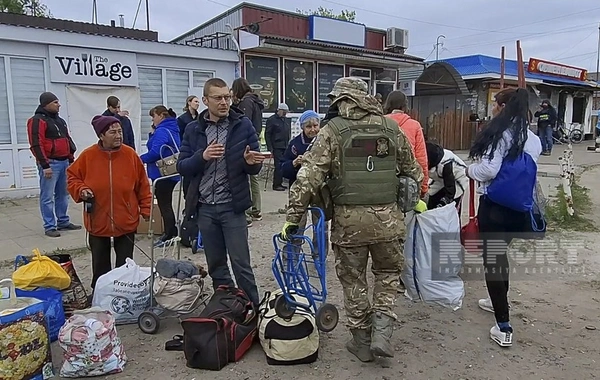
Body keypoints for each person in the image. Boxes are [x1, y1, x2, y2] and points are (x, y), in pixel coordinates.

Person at [281, 77, 423, 362]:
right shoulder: (391, 128)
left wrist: (293, 219)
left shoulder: (331, 131)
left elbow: (307, 179)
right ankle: (382, 330)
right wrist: (416, 201)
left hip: (349, 224)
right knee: (387, 274)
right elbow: (413, 171)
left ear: (340, 100)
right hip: (389, 221)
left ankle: (361, 341)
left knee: (353, 280)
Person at [176, 78, 265, 306]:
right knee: (216, 265)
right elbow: (182, 166)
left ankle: (252, 310)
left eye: (227, 97)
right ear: (205, 100)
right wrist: (202, 156)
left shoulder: (242, 125)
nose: (224, 102)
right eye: (218, 98)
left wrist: (250, 162)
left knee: (241, 264)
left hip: (232, 207)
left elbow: (255, 165)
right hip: (205, 208)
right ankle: (226, 308)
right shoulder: (193, 129)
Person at [466, 88, 542, 347]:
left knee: (494, 262)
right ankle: (494, 300)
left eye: (495, 104)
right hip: (520, 211)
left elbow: (488, 170)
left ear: (502, 107)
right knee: (501, 257)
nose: (493, 108)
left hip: (495, 209)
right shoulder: (533, 139)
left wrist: (470, 169)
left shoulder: (501, 135)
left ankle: (504, 325)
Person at [67, 115, 152, 290]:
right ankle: (100, 292)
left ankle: (125, 292)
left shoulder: (130, 155)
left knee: (125, 263)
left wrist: (146, 209)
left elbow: (143, 185)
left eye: (120, 131)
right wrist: (81, 189)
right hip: (98, 219)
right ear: (101, 136)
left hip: (125, 219)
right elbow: (72, 177)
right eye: (112, 132)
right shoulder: (88, 155)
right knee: (100, 264)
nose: (118, 135)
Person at [27, 91, 81, 237]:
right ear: (46, 104)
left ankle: (63, 221)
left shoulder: (60, 120)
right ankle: (50, 226)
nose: (59, 105)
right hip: (50, 163)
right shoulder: (37, 121)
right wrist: (45, 165)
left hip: (64, 162)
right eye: (55, 102)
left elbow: (67, 140)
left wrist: (71, 159)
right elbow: (36, 144)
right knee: (47, 196)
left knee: (63, 194)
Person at [281, 109, 329, 257]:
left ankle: (319, 255)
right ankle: (292, 254)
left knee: (320, 225)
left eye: (315, 125)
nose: (313, 129)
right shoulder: (295, 144)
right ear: (302, 127)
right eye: (309, 127)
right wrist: (294, 163)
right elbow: (283, 169)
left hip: (319, 191)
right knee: (297, 223)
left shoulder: (325, 142)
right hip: (299, 191)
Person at [140, 106, 181, 247]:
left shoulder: (162, 130)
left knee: (164, 204)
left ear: (160, 116)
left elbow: (156, 152)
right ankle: (171, 231)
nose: (153, 120)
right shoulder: (172, 127)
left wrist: (139, 159)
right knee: (166, 203)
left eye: (153, 117)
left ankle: (169, 234)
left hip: (162, 173)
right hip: (171, 173)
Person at [231, 77, 265, 225]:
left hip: (246, 142)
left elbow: (243, 122)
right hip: (256, 138)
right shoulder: (256, 101)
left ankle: (247, 212)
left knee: (245, 177)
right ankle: (256, 209)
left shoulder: (246, 102)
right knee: (254, 177)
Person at [384, 90, 429, 197]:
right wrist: (424, 187)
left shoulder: (380, 123)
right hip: (409, 183)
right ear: (404, 106)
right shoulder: (414, 125)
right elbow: (421, 159)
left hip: (384, 180)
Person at [425, 141, 468, 212]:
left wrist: (445, 200)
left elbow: (450, 187)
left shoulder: (446, 163)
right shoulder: (426, 156)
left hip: (457, 180)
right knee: (431, 199)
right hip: (439, 179)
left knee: (451, 208)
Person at [265, 103, 290, 191]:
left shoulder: (285, 120)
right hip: (276, 146)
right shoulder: (272, 120)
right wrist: (270, 147)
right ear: (279, 110)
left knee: (283, 165)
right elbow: (267, 134)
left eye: (286, 112)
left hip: (285, 145)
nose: (285, 114)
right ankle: (276, 185)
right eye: (284, 112)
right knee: (278, 166)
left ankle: (280, 183)